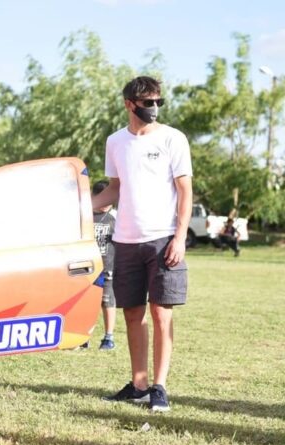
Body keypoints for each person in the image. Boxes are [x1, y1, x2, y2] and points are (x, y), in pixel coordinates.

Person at [92, 76, 193, 413]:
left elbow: (185, 191)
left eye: (158, 102)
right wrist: (80, 207)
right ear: (129, 104)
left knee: (161, 313)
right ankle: (139, 385)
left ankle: (159, 387)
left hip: (163, 239)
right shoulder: (115, 142)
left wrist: (180, 237)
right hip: (125, 241)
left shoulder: (173, 138)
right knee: (133, 313)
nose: (154, 108)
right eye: (148, 103)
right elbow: (114, 188)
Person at [81, 180, 117, 350]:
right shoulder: (84, 217)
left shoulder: (114, 218)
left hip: (107, 268)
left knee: (107, 300)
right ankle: (83, 336)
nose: (106, 204)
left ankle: (108, 337)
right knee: (86, 302)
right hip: (87, 268)